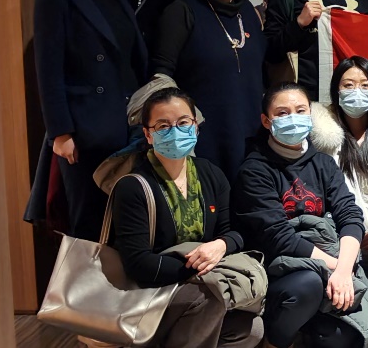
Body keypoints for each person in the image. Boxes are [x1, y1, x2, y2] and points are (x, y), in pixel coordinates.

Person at [27, 0, 148, 239]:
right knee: (89, 226)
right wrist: (61, 133)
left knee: (129, 225)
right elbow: (48, 68)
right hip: (85, 130)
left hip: (128, 126)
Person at [109, 88, 262, 347]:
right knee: (209, 295)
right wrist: (201, 269)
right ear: (148, 134)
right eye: (163, 126)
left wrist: (221, 245)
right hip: (150, 293)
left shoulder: (211, 174)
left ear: (196, 127)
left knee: (252, 330)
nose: (175, 131)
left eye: (183, 123)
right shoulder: (133, 186)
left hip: (201, 283)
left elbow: (235, 232)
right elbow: (138, 265)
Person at [234, 83, 368, 348]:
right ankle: (274, 342)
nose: (293, 118)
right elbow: (279, 237)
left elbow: (350, 214)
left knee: (343, 335)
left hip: (327, 261)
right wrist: (337, 268)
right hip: (281, 269)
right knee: (307, 285)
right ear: (266, 121)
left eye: (300, 111)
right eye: (282, 113)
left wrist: (344, 269)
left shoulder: (323, 163)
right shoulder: (254, 171)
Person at [151, 0, 268, 179]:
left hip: (250, 131)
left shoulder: (248, 11)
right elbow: (161, 74)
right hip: (203, 134)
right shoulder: (182, 10)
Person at [308, 57, 368, 288]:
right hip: (342, 239)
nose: (357, 92)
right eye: (348, 85)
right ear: (336, 90)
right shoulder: (321, 140)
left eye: (365, 85)